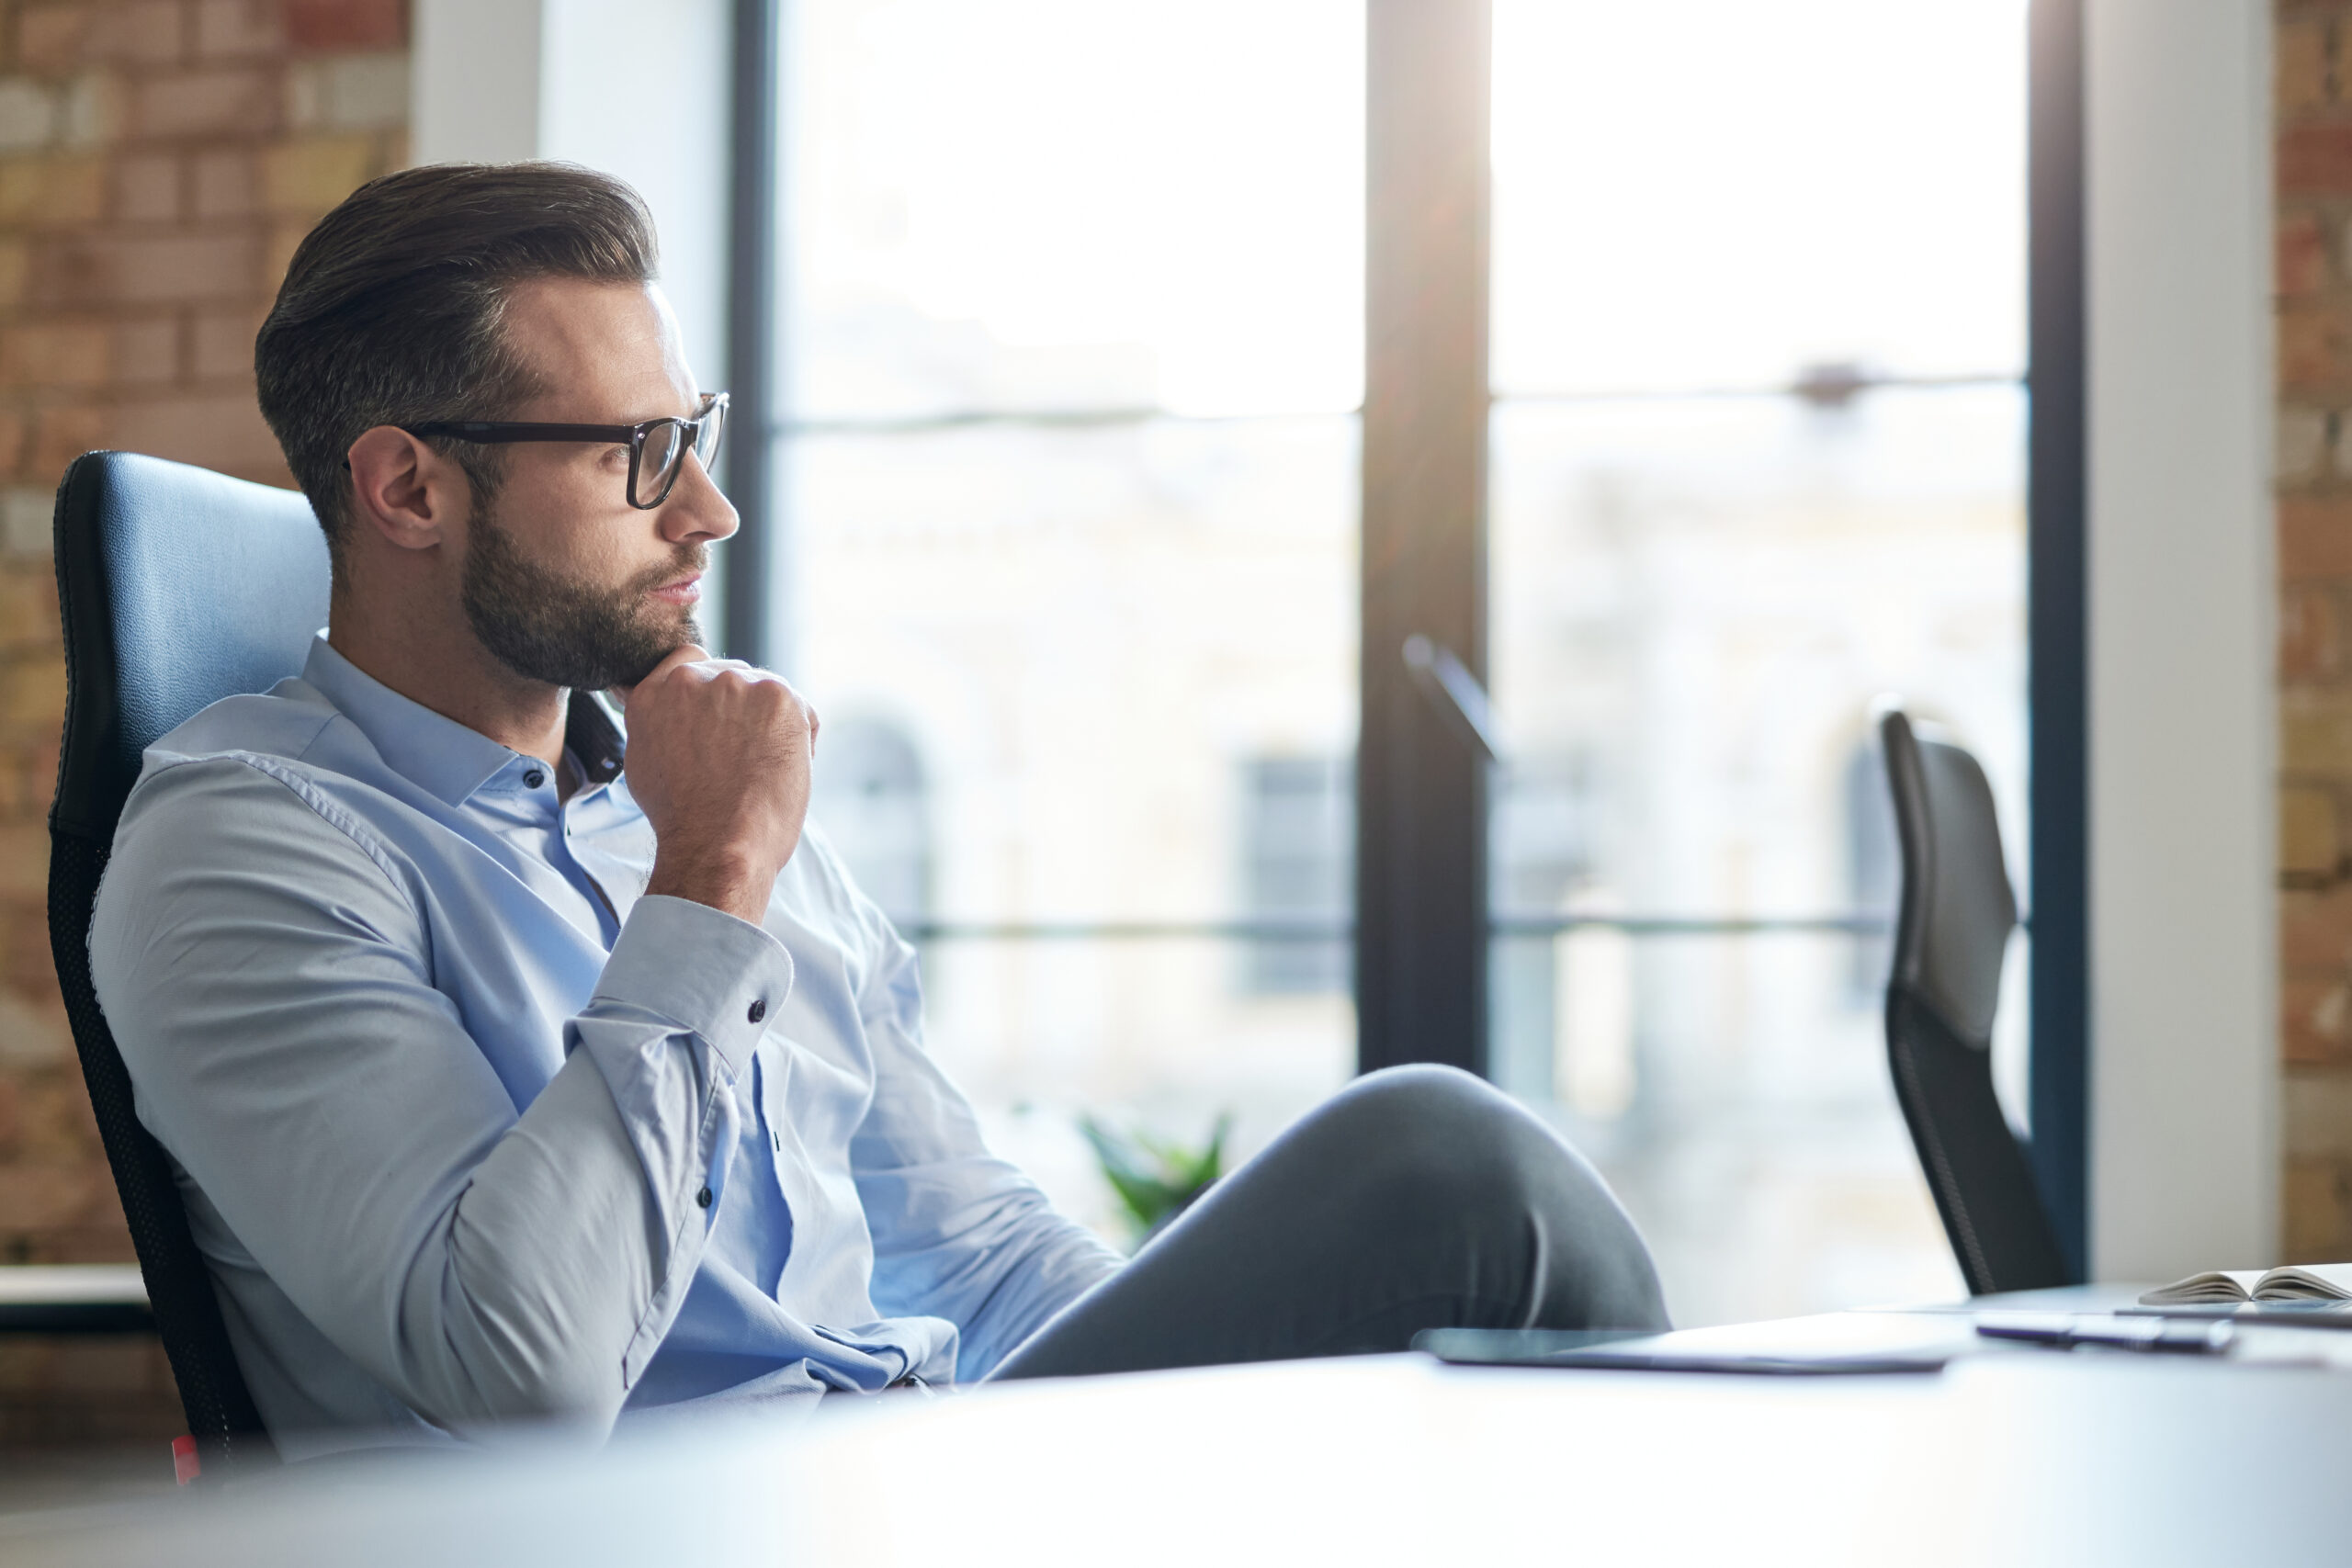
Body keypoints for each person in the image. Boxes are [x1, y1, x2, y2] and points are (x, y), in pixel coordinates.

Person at [87, 163, 1666, 1456]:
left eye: (689, 436)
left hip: (912, 1475)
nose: (708, 508)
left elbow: (967, 1250)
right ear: (410, 490)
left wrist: (1196, 1425)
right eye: (640, 457)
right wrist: (708, 883)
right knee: (1451, 1173)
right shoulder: (248, 845)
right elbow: (521, 1371)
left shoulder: (697, 790)